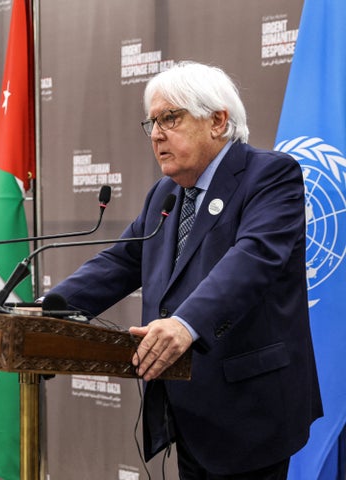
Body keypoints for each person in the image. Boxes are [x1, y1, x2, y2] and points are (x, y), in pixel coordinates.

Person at [47, 61, 323, 479]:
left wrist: (185, 324)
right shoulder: (166, 191)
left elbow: (253, 258)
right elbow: (122, 261)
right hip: (188, 411)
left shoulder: (270, 175)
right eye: (152, 122)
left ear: (217, 121)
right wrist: (46, 311)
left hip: (250, 409)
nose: (156, 134)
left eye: (170, 118)